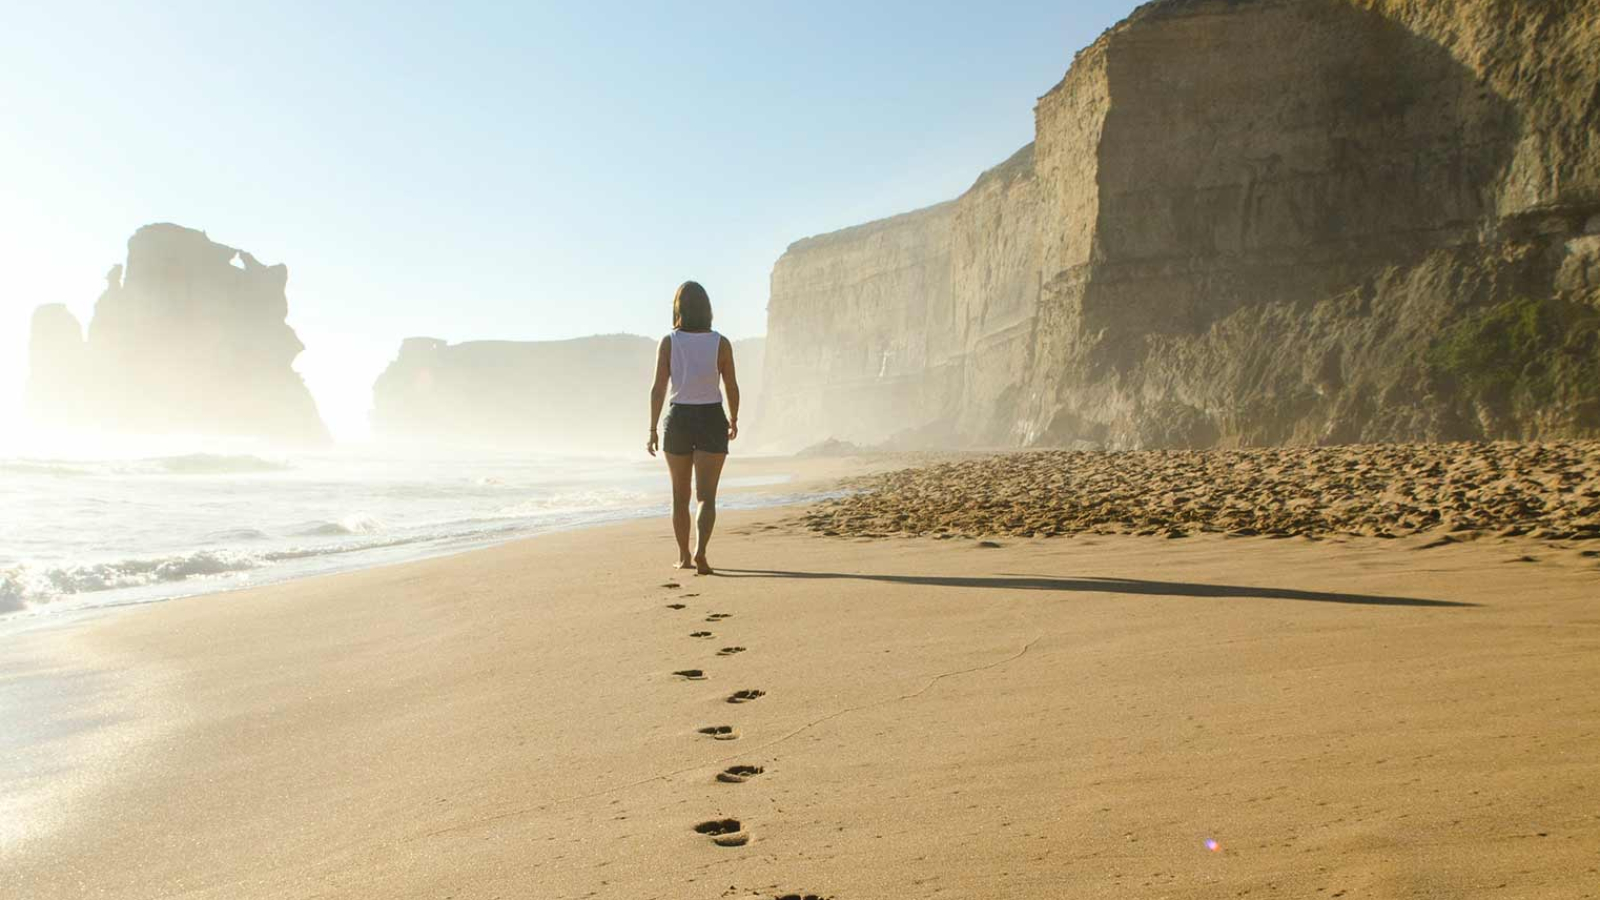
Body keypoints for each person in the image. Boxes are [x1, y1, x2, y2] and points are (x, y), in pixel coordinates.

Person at [647, 281, 740, 575]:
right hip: (712, 416)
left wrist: (652, 428)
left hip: (679, 418)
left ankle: (684, 556)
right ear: (707, 309)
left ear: (678, 308)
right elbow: (732, 386)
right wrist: (734, 419)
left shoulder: (669, 341)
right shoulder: (720, 343)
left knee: (679, 495)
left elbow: (658, 388)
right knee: (706, 497)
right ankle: (701, 552)